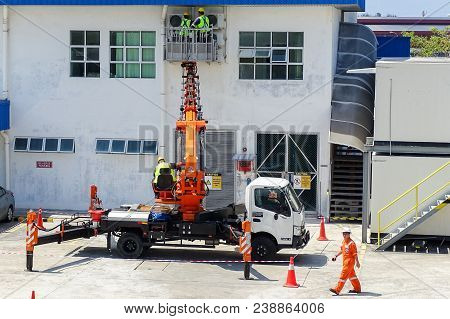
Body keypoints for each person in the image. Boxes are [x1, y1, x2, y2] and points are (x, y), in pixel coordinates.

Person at [329, 227, 361, 295]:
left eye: (345, 234)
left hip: (349, 262)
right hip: (345, 261)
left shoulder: (352, 243)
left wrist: (357, 262)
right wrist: (336, 255)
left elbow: (355, 254)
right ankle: (357, 289)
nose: (344, 235)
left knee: (343, 276)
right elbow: (342, 250)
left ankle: (337, 290)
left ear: (349, 234)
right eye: (343, 234)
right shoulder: (344, 241)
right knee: (352, 276)